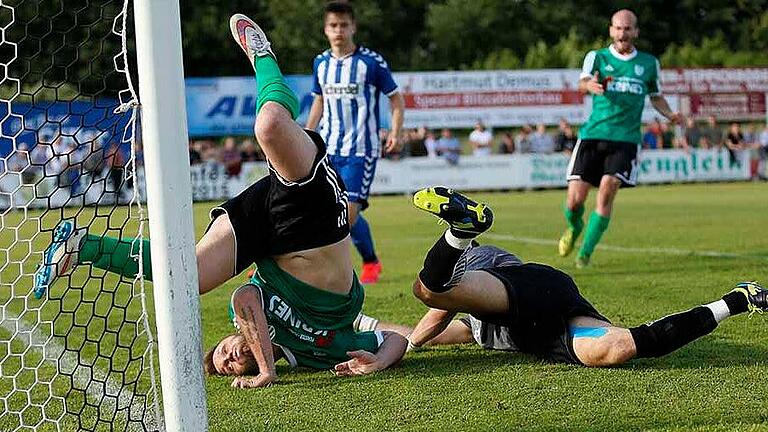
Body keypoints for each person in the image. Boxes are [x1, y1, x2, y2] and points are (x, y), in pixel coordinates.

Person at [33, 14, 407, 388]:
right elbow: (396, 339)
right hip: (318, 223)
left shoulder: (244, 311)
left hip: (269, 238)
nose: (231, 357)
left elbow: (245, 294)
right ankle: (264, 57)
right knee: (270, 127)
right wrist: (378, 362)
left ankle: (81, 244)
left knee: (188, 275)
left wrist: (263, 368)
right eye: (233, 360)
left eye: (224, 360)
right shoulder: (326, 351)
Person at [407, 187, 768, 366]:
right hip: (553, 331)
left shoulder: (477, 281)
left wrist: (406, 349)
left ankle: (462, 235)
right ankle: (738, 298)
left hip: (520, 283)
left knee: (432, 292)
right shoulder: (475, 329)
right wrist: (375, 332)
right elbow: (429, 332)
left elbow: (434, 318)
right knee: (618, 349)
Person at [559, 9, 682, 268]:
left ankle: (585, 254)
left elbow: (655, 95)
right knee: (574, 201)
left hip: (625, 139)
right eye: (618, 28)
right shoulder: (598, 57)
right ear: (611, 30)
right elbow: (582, 82)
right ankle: (574, 226)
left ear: (635, 32)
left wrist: (671, 115)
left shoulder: (649, 63)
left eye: (628, 29)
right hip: (593, 135)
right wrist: (589, 86)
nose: (623, 33)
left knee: (606, 191)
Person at [305, 2, 405, 284]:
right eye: (333, 26)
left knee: (346, 214)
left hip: (361, 151)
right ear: (326, 30)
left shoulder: (371, 63)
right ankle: (370, 261)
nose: (339, 31)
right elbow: (319, 100)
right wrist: (307, 133)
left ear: (353, 27)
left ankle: (328, 271)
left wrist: (396, 131)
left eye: (344, 25)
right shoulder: (320, 63)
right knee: (326, 210)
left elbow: (396, 98)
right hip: (328, 149)